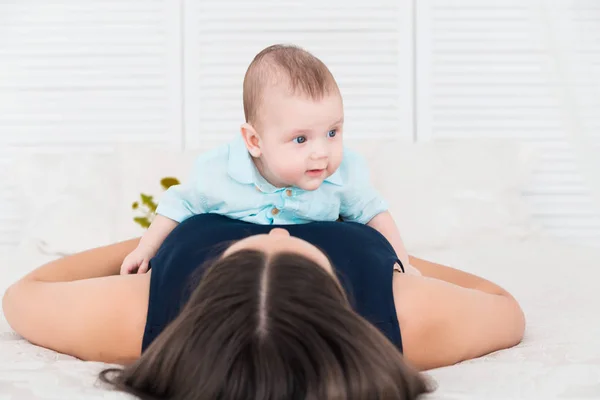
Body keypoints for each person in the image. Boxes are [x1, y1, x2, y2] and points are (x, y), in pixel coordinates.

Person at [2, 214, 526, 399]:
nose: (276, 228)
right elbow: (503, 305)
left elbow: (24, 294)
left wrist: (147, 250)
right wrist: (397, 261)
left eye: (252, 245)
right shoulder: (405, 314)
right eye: (295, 246)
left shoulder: (144, 316)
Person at [120, 43, 421, 277]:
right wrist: (145, 249)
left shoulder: (343, 174)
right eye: (301, 139)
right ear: (254, 141)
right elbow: (180, 204)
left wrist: (402, 263)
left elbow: (375, 214)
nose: (322, 152)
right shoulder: (220, 172)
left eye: (332, 132)